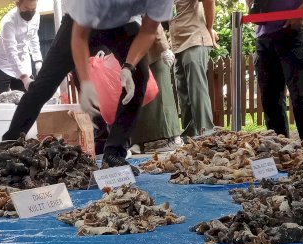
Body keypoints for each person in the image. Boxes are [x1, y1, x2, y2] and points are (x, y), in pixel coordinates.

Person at [68, 0, 174, 174]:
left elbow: (149, 30)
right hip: (85, 21)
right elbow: (78, 36)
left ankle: (114, 153)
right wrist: (85, 81)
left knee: (140, 75)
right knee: (86, 77)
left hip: (126, 25)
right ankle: (100, 144)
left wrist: (129, 67)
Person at [248, 0, 303, 146]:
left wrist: (300, 13)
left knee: (302, 97)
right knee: (270, 99)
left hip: (294, 31)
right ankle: (279, 149)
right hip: (265, 35)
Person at [129, 24, 182, 154]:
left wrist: (164, 48)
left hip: (153, 52)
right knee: (138, 98)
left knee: (163, 95)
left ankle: (175, 138)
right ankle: (137, 141)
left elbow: (154, 21)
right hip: (132, 55)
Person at [170, 0, 216, 139]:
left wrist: (209, 28)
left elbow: (209, 1)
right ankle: (190, 134)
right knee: (183, 91)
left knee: (196, 88)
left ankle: (206, 132)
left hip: (195, 38)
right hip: (177, 44)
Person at [0, 0, 42, 98]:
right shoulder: (8, 21)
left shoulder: (36, 16)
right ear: (18, 4)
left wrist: (38, 60)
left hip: (23, 62)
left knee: (26, 102)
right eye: (26, 8)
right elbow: (11, 52)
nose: (30, 11)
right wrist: (24, 77)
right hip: (3, 64)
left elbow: (33, 37)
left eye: (33, 9)